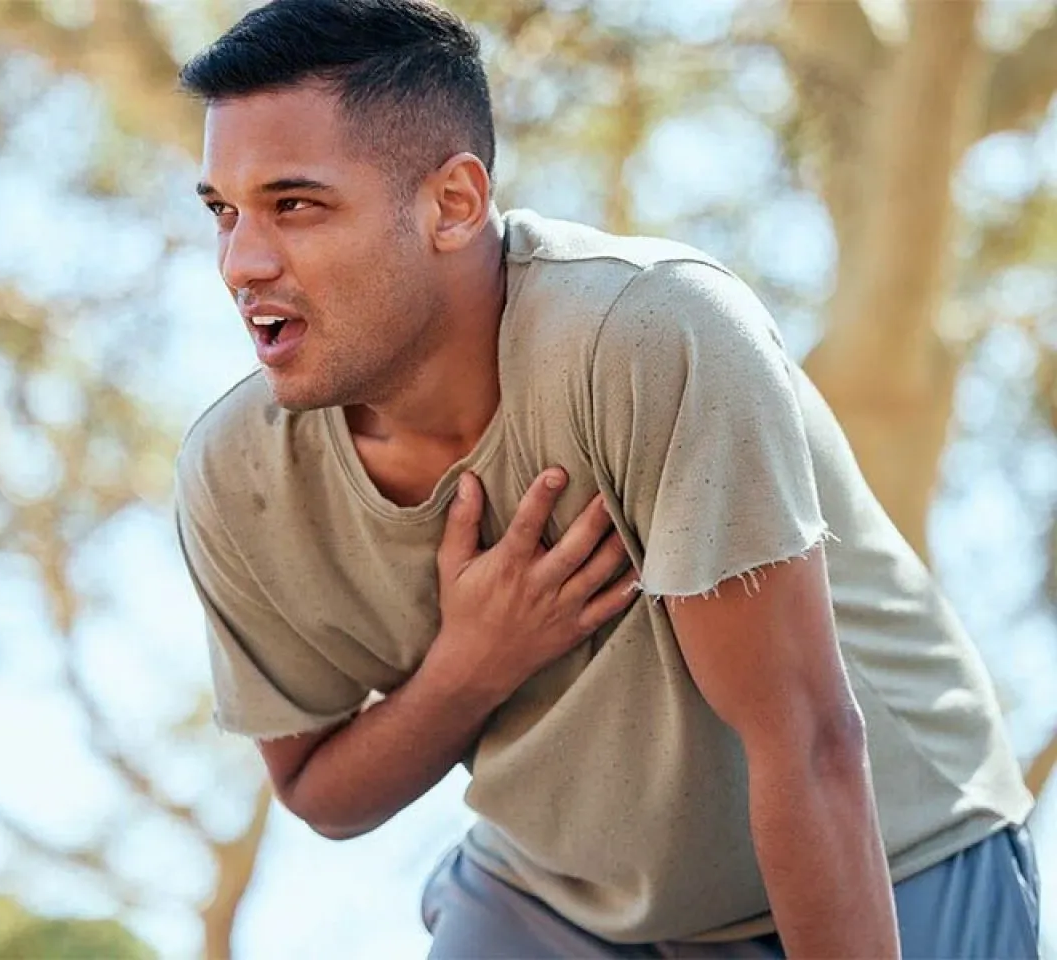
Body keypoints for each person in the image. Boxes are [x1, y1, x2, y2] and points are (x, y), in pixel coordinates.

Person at [171, 0, 1041, 956]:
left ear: (454, 203)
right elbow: (317, 795)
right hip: (561, 897)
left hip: (888, 853)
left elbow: (809, 743)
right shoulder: (237, 474)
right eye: (224, 211)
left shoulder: (650, 333)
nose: (241, 262)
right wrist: (468, 670)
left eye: (296, 205)